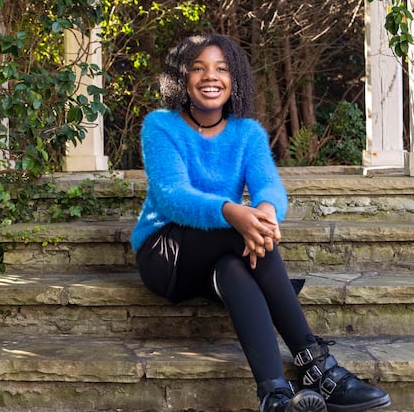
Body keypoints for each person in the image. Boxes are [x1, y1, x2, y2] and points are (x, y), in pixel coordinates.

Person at [130, 34, 390, 412]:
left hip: (224, 248)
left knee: (235, 269)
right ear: (182, 79)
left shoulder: (247, 133)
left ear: (235, 79)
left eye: (221, 68)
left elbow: (270, 186)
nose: (210, 76)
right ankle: (317, 365)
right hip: (166, 250)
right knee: (242, 237)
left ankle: (276, 396)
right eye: (198, 68)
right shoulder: (161, 126)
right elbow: (172, 196)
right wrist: (233, 212)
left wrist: (265, 212)